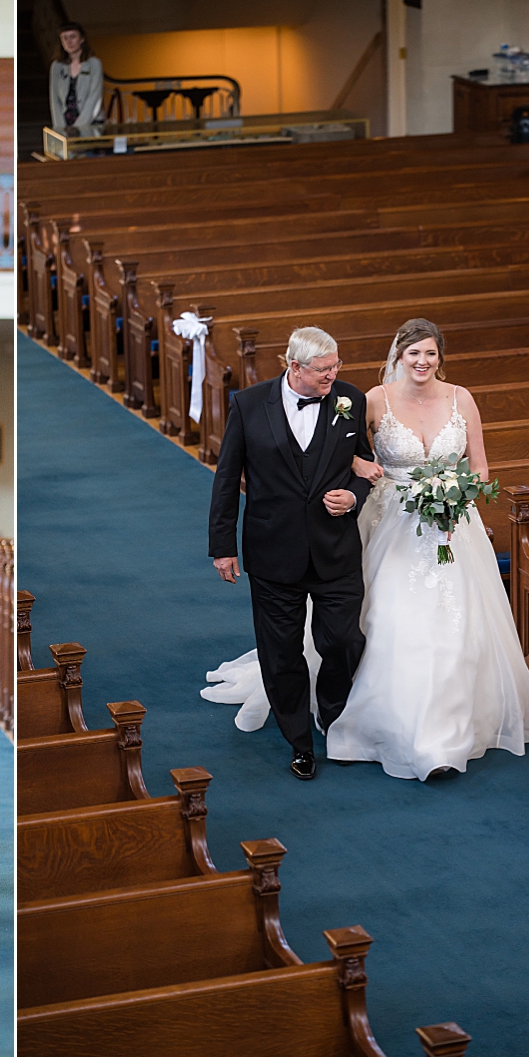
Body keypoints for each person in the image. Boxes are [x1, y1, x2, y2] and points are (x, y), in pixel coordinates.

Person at [324, 319, 529, 779]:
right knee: (389, 616)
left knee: (457, 622)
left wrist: (455, 497)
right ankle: (392, 723)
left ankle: (446, 735)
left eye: (429, 354)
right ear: (399, 356)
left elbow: (482, 468)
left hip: (452, 525)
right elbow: (335, 449)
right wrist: (365, 465)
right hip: (393, 520)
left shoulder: (461, 398)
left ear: (439, 357)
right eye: (413, 354)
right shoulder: (374, 399)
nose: (422, 362)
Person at [207, 326, 374, 781]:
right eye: (323, 369)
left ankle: (334, 717)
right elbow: (227, 478)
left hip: (335, 548)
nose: (333, 376)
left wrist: (353, 496)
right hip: (272, 550)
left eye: (336, 366)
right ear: (293, 367)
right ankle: (300, 742)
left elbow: (364, 466)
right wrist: (222, 545)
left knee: (342, 641)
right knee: (280, 653)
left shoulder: (350, 400)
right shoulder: (248, 404)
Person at [49, 21, 103, 130]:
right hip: (65, 122)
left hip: (90, 122)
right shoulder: (57, 66)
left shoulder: (94, 64)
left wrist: (80, 127)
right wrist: (59, 128)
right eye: (64, 38)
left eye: (72, 37)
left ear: (82, 39)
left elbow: (95, 96)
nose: (69, 42)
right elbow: (54, 99)